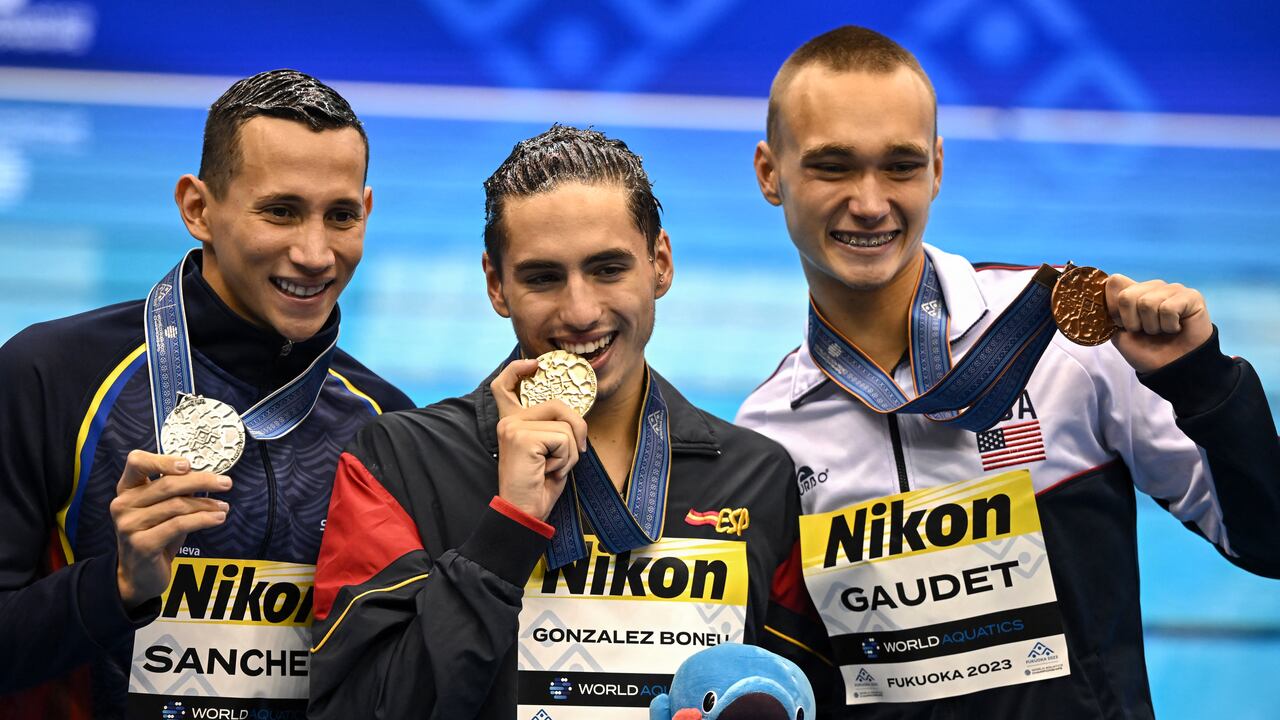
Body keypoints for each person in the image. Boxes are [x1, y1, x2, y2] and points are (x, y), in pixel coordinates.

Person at [736, 25, 1280, 719]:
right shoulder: (767, 436)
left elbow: (1267, 540)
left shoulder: (1062, 340)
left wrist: (1204, 383)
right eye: (833, 166)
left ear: (937, 167)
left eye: (900, 166)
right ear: (769, 174)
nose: (870, 203)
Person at [308, 125, 826, 719]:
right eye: (543, 277)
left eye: (608, 269)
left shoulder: (755, 475)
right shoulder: (398, 462)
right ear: (496, 284)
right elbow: (359, 711)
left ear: (660, 263)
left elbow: (800, 699)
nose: (580, 312)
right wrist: (507, 533)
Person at [0, 70, 413, 719]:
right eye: (280, 211)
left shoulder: (387, 424)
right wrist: (117, 585)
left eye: (339, 216)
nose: (314, 252)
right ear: (198, 208)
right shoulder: (52, 376)